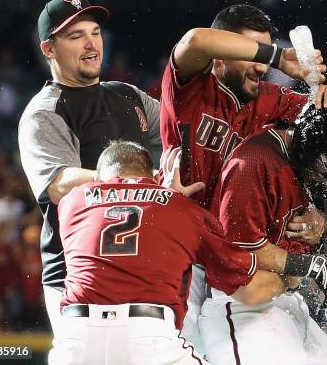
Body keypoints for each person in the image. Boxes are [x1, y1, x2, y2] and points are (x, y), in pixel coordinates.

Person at [160, 3, 327, 352]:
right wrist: (279, 56)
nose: (261, 65)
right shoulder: (189, 88)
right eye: (251, 52)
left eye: (263, 54)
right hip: (183, 256)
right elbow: (195, 39)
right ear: (221, 55)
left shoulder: (273, 100)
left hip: (238, 260)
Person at [50, 140, 276, 365]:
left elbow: (112, 194)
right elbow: (243, 283)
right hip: (148, 337)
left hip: (75, 337)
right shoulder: (182, 209)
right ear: (154, 177)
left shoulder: (73, 202)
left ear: (99, 178)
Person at [18, 0, 161, 336]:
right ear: (49, 49)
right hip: (79, 275)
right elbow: (59, 183)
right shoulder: (45, 112)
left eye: (95, 32)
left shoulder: (128, 95)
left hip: (141, 267)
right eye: (75, 35)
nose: (90, 42)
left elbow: (181, 132)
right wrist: (136, 182)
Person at [200, 103, 327, 365]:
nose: (324, 178)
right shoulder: (252, 162)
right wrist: (312, 266)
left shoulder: (304, 162)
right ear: (310, 148)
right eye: (324, 168)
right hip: (243, 310)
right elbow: (239, 257)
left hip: (286, 302)